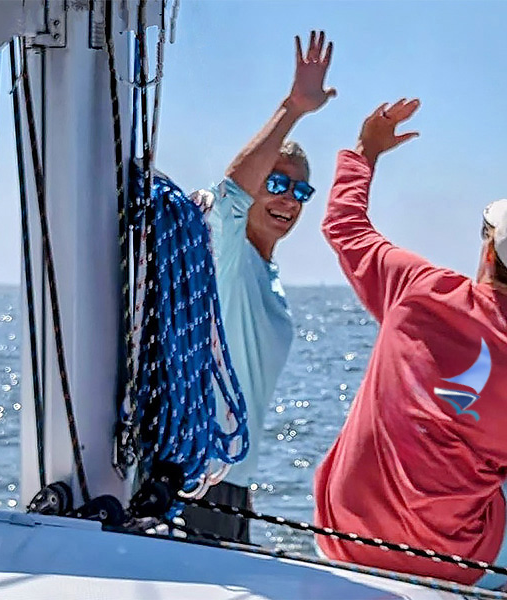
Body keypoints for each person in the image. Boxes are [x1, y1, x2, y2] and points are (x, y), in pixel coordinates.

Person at [313, 98, 507, 594]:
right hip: (449, 566)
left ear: (488, 246)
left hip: (341, 535)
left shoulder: (415, 287)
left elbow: (345, 226)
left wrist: (364, 154)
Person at [182, 31, 337, 543]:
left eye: (299, 190)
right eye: (275, 183)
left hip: (232, 483)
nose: (288, 199)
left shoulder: (266, 274)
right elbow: (227, 193)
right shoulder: (230, 254)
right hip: (195, 480)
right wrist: (292, 109)